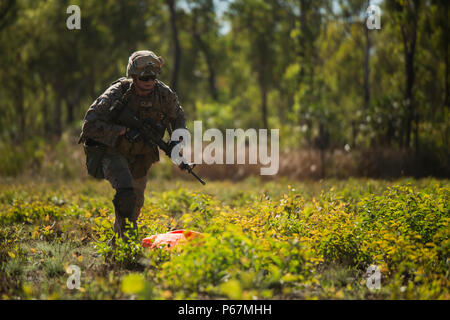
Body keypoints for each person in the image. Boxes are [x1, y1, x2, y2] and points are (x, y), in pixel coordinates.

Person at [78, 50, 187, 245]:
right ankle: (128, 247)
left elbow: (178, 117)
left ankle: (117, 244)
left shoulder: (164, 95)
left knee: (134, 204)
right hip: (113, 151)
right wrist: (121, 131)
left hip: (141, 155)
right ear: (133, 77)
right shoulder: (117, 93)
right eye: (144, 77)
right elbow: (89, 126)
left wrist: (177, 143)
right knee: (126, 193)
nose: (148, 81)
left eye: (152, 77)